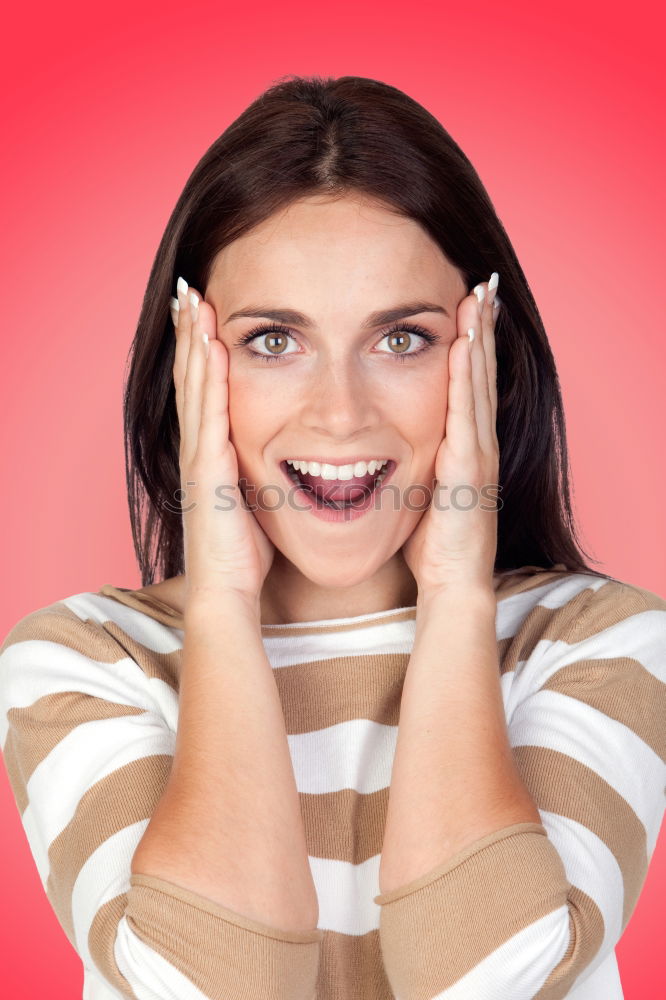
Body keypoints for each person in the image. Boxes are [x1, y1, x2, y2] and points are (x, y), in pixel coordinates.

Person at [0, 74, 664, 1000]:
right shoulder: (85, 663)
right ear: (188, 366)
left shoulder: (601, 643)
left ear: (486, 361)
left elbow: (491, 981)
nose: (342, 414)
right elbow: (204, 987)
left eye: (403, 339)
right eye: (275, 340)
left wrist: (458, 597)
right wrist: (223, 600)